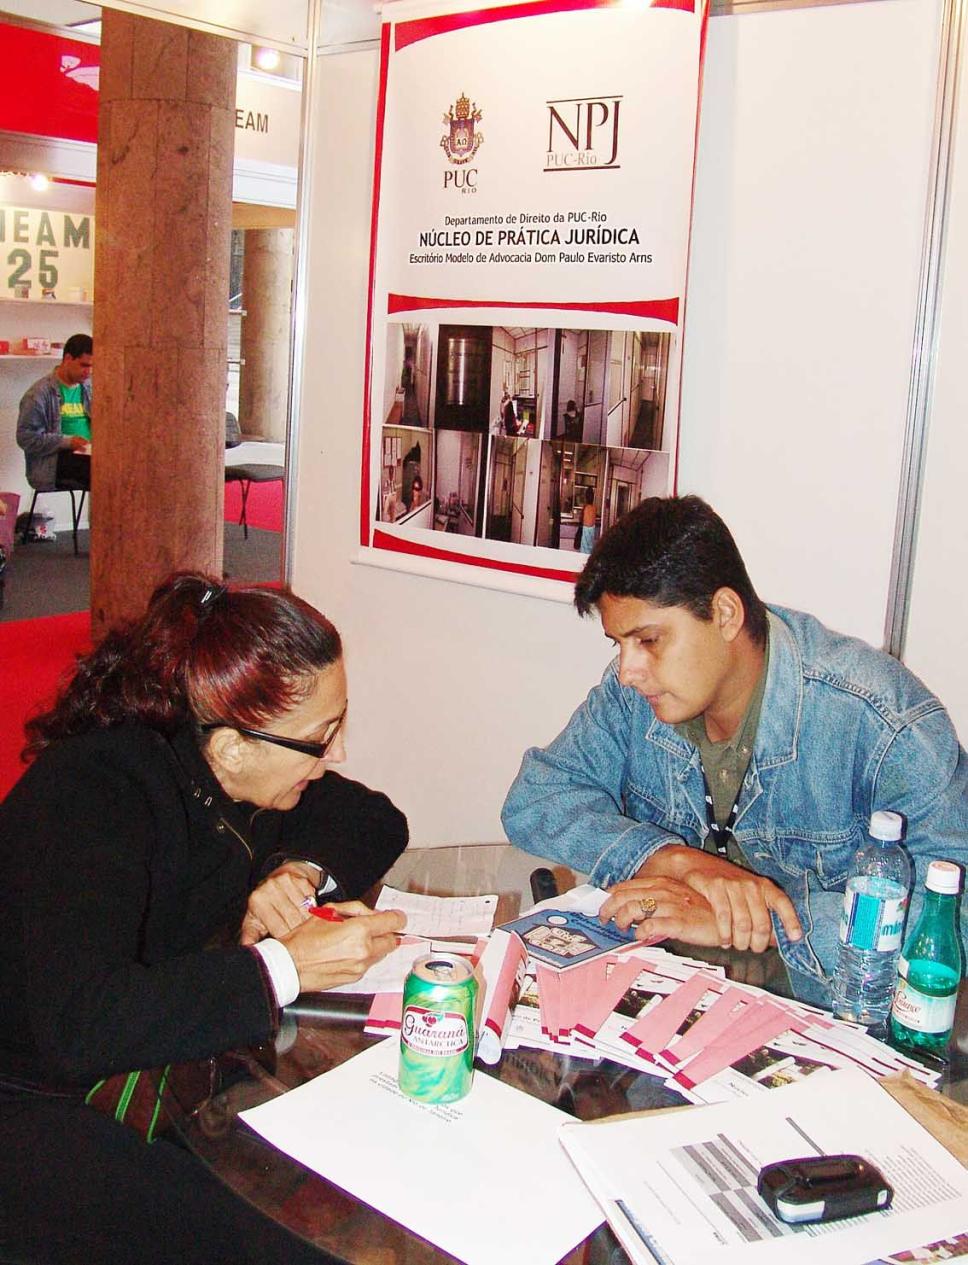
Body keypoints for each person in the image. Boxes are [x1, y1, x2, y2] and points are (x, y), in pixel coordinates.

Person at [0, 572, 408, 1265]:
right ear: (232, 746)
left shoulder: (234, 767)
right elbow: (82, 1024)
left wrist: (298, 870)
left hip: (138, 1072)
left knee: (360, 1172)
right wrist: (285, 966)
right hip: (29, 1097)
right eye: (320, 737)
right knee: (286, 1244)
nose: (337, 752)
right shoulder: (94, 794)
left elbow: (374, 817)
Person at [502, 495, 968, 1003]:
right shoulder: (634, 695)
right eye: (619, 644)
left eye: (649, 641)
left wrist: (766, 921)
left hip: (824, 1013)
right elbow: (536, 798)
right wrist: (672, 861)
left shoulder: (880, 718)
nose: (628, 671)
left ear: (725, 614)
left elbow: (956, 919)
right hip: (668, 992)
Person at [16, 332, 93, 493]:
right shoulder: (38, 394)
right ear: (68, 359)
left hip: (87, 455)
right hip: (53, 463)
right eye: (84, 365)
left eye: (93, 366)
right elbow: (26, 438)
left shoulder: (89, 389)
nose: (89, 372)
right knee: (106, 473)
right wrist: (68, 442)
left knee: (122, 466)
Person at [579, 485, 597, 554]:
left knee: (584, 549)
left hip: (585, 530)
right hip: (592, 530)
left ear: (586, 496)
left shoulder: (585, 507)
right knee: (590, 547)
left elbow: (581, 520)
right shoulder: (594, 508)